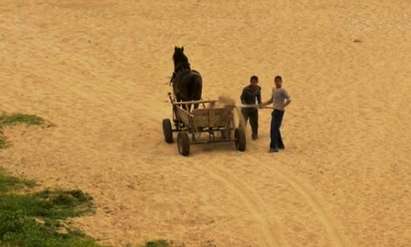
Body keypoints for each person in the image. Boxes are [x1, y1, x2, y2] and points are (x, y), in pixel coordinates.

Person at [261, 75, 291, 152]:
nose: (277, 82)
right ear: (274, 82)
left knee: (273, 129)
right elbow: (271, 100)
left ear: (281, 81)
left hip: (280, 112)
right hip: (275, 111)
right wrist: (263, 104)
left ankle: (273, 147)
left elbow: (289, 99)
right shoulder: (274, 89)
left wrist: (283, 106)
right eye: (276, 81)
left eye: (279, 81)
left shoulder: (282, 90)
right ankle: (280, 145)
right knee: (275, 129)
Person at [240, 75, 262, 140]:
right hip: (245, 109)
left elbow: (259, 97)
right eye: (252, 82)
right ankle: (241, 135)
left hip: (253, 108)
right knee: (243, 122)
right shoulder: (246, 89)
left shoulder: (258, 89)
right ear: (250, 82)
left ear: (257, 82)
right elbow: (242, 98)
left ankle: (254, 135)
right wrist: (244, 104)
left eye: (255, 82)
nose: (254, 83)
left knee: (254, 123)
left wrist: (260, 104)